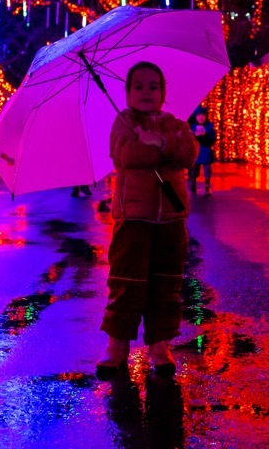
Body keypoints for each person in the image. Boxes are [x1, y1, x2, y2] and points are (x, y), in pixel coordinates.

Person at [97, 61, 198, 380]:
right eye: (138, 86)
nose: (146, 91)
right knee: (127, 283)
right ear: (127, 92)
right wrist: (151, 146)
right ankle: (117, 347)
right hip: (134, 218)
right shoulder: (123, 123)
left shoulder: (176, 124)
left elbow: (189, 153)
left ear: (163, 92)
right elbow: (126, 157)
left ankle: (160, 346)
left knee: (166, 285)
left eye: (153, 86)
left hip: (171, 218)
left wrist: (163, 142)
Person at [187, 106, 216, 195]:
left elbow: (212, 140)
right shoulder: (191, 128)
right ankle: (193, 185)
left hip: (205, 152)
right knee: (194, 170)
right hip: (195, 153)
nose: (201, 117)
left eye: (203, 115)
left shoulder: (209, 127)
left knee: (207, 170)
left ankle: (207, 185)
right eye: (199, 115)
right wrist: (194, 135)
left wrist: (205, 135)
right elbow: (187, 140)